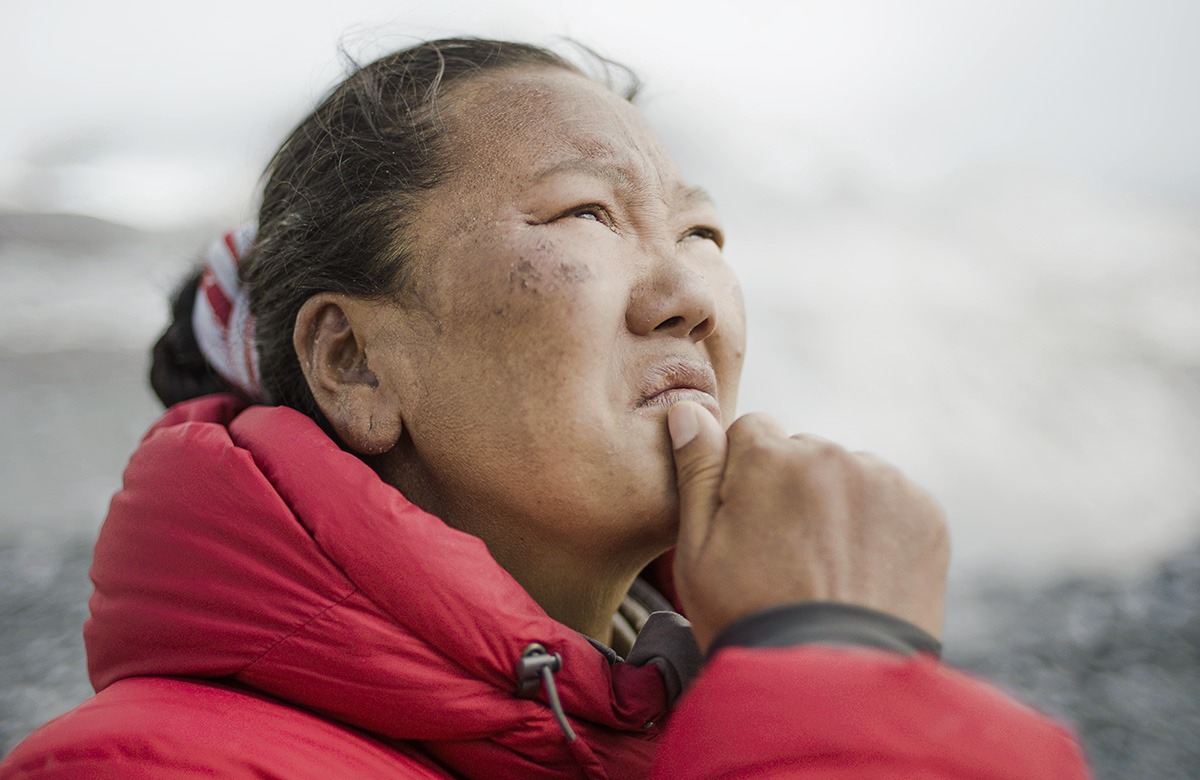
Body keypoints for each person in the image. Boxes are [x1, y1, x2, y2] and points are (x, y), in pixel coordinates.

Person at [0, 38, 1089, 779]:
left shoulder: (711, 727)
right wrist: (842, 667)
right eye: (585, 214)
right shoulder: (144, 766)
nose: (688, 297)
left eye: (702, 234)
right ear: (355, 366)